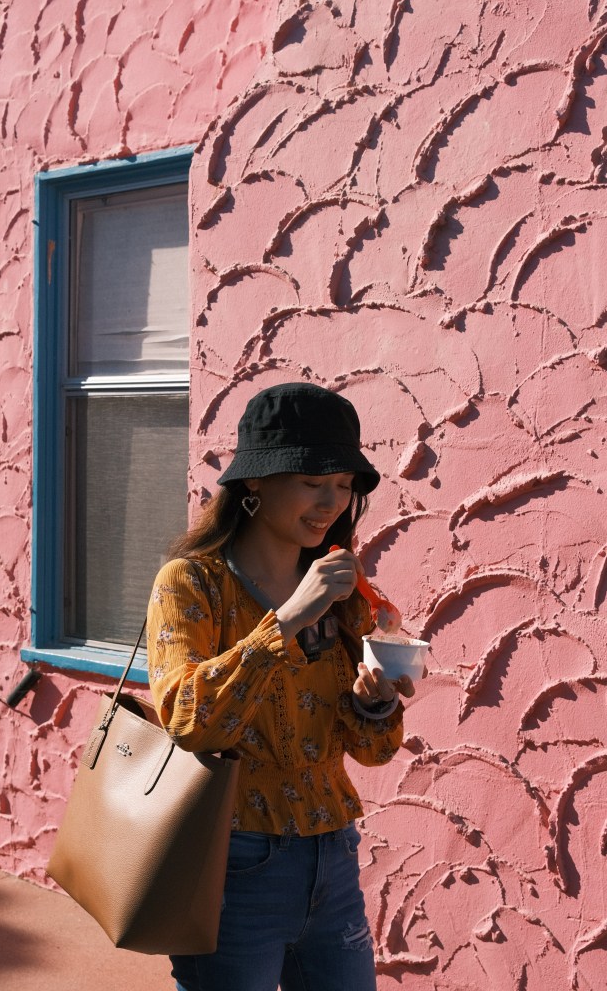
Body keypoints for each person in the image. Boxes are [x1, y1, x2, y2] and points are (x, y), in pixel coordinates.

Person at [146, 382, 418, 991]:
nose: (331, 502)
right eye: (312, 480)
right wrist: (290, 618)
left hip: (333, 856)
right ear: (255, 481)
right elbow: (188, 721)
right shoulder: (192, 583)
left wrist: (374, 706)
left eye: (344, 484)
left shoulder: (342, 592)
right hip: (231, 863)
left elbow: (374, 752)